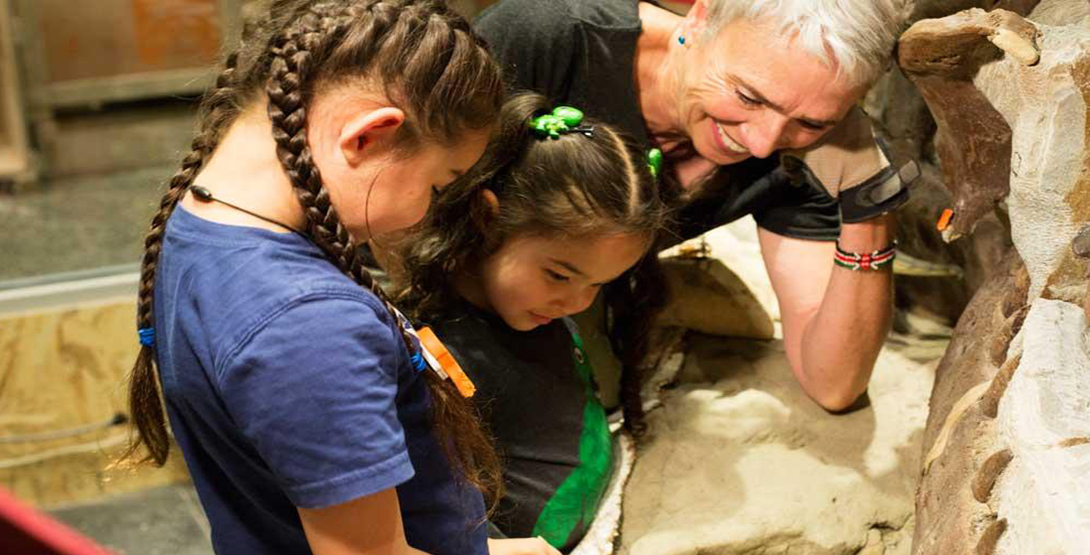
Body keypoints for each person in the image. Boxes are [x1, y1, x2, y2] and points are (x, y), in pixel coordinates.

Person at [121, 1, 559, 553]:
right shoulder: (307, 327)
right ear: (368, 137)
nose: (425, 215)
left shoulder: (200, 219)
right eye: (437, 185)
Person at [473, 0, 916, 412]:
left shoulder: (807, 153)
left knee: (590, 395)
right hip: (470, 260)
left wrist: (868, 201)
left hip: (571, 289)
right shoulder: (550, 38)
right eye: (748, 97)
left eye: (812, 120)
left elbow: (834, 384)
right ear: (700, 20)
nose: (761, 144)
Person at [396, 93, 670, 553]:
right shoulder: (434, 349)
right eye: (559, 275)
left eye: (600, 284)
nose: (577, 301)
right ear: (487, 219)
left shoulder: (536, 303)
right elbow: (433, 505)